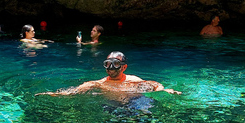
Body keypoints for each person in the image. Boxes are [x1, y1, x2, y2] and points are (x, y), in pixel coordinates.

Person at [36, 51, 181, 97]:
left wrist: (166, 90)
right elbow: (76, 90)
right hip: (113, 107)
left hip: (135, 103)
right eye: (107, 64)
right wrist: (56, 94)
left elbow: (155, 85)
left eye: (116, 64)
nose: (111, 68)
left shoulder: (133, 80)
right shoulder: (100, 83)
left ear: (124, 67)